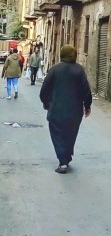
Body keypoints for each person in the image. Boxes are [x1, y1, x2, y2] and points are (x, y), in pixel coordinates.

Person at [39, 44, 92, 174]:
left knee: (57, 135)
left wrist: (47, 103)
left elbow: (44, 90)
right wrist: (87, 106)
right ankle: (66, 157)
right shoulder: (79, 70)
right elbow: (86, 90)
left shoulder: (54, 69)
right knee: (71, 134)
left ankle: (63, 162)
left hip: (56, 110)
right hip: (75, 112)